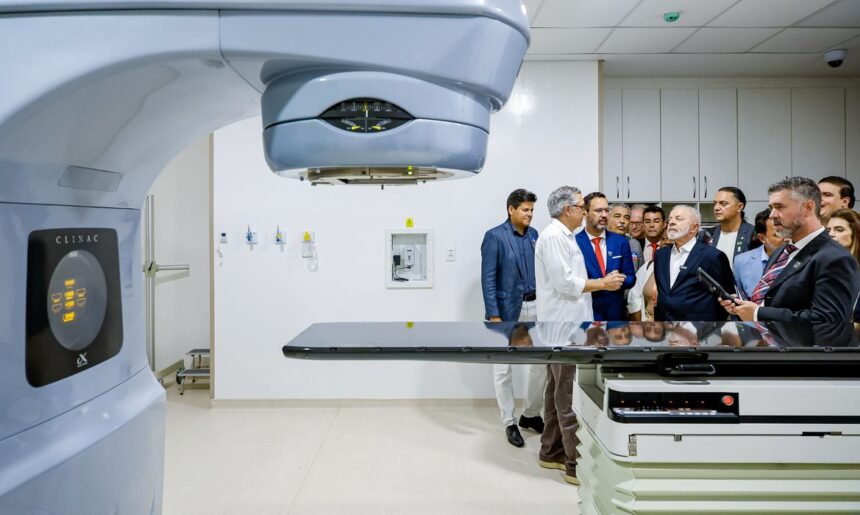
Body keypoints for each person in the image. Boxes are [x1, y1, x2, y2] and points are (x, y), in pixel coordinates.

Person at [534, 185, 625, 486]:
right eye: (581, 207)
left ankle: (551, 451)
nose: (585, 212)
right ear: (567, 209)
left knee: (554, 390)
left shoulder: (565, 236)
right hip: (563, 328)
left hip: (567, 326)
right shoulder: (553, 237)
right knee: (567, 396)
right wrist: (603, 283)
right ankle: (574, 464)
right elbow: (565, 283)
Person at [722, 177, 860, 325]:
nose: (772, 215)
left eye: (780, 207)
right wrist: (744, 308)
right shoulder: (782, 251)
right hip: (768, 338)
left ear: (808, 208)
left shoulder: (835, 258)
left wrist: (758, 313)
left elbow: (827, 319)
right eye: (771, 207)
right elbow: (774, 301)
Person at [480, 188, 546, 448]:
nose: (530, 214)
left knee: (540, 363)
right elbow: (488, 278)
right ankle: (509, 421)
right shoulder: (495, 236)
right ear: (511, 209)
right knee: (503, 367)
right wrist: (494, 315)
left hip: (535, 306)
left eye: (532, 210)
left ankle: (530, 413)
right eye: (525, 210)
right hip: (506, 311)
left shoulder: (535, 235)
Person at [654, 205, 734, 322]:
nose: (671, 222)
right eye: (670, 219)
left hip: (699, 328)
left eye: (678, 219)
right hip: (665, 325)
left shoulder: (712, 256)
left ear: (694, 228)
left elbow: (726, 297)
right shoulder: (661, 254)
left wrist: (709, 326)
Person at [576, 193, 637, 321]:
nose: (604, 215)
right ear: (585, 213)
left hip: (616, 315)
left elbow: (631, 278)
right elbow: (572, 282)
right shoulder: (574, 242)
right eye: (598, 211)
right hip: (587, 314)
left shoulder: (620, 241)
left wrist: (617, 280)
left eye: (606, 210)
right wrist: (602, 283)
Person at [734, 208, 787, 299]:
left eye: (787, 232)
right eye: (778, 235)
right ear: (762, 238)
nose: (786, 238)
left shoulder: (800, 258)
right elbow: (740, 297)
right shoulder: (741, 261)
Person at [699, 187, 755, 268]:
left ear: (739, 207)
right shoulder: (706, 235)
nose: (716, 208)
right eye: (715, 203)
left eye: (723, 203)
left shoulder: (753, 234)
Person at [608, 203, 642, 271]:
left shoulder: (634, 244)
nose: (622, 221)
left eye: (626, 218)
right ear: (607, 218)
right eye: (617, 216)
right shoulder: (599, 242)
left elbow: (641, 273)